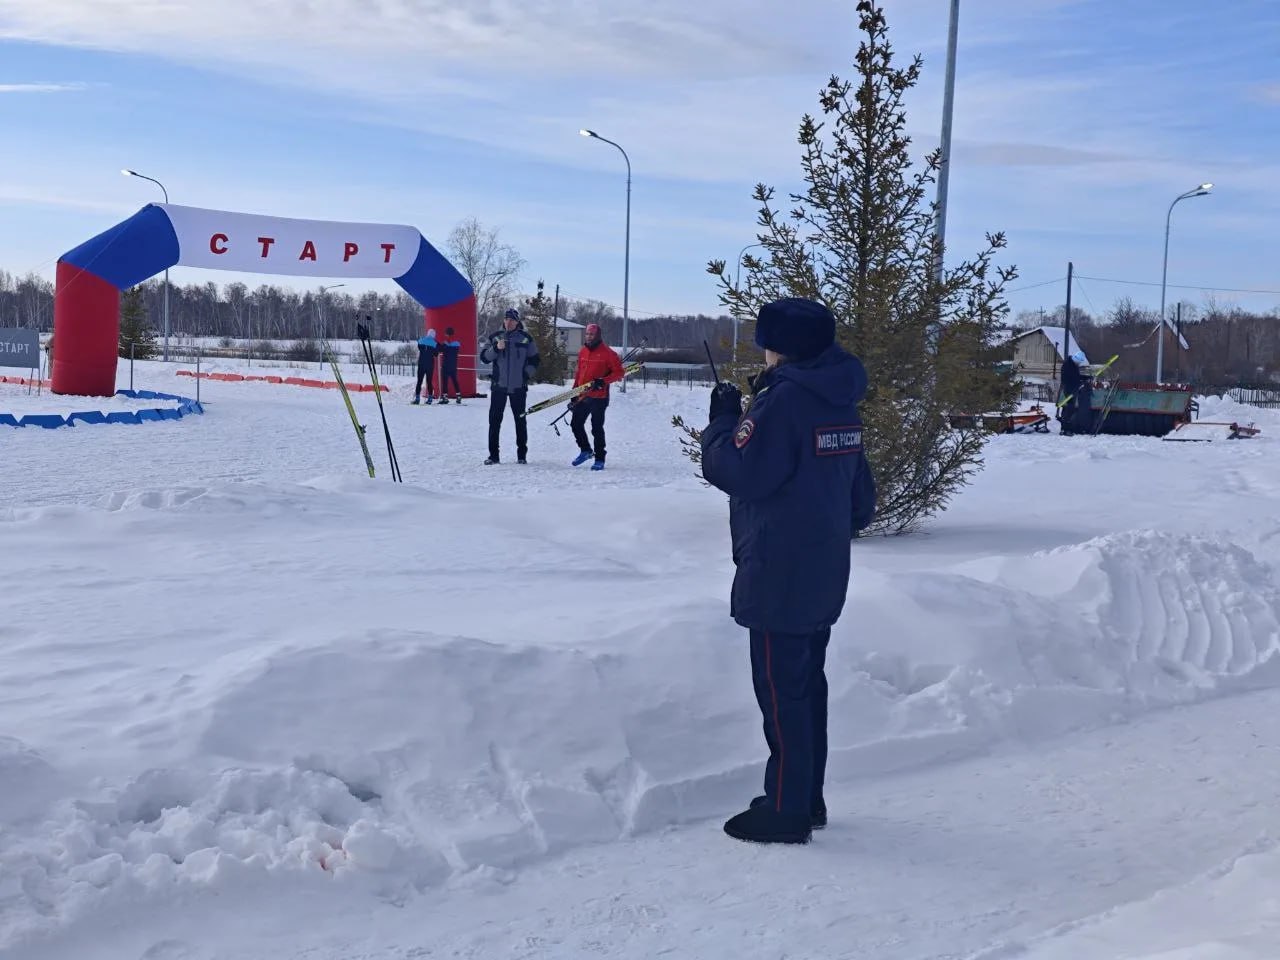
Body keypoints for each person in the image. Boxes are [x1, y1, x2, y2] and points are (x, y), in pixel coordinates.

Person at [700, 297, 877, 846]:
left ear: (784, 347)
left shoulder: (786, 403)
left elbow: (739, 471)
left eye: (768, 343)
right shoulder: (838, 399)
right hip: (823, 568)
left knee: (781, 694)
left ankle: (786, 810)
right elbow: (860, 500)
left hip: (780, 571)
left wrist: (723, 422)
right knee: (806, 688)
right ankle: (804, 795)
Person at [479, 308, 540, 464]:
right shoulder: (495, 337)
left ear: (517, 322)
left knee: (520, 421)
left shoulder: (526, 339)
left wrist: (525, 375)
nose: (508, 322)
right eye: (506, 319)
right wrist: (496, 349)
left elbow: (535, 360)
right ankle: (493, 456)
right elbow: (484, 358)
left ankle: (521, 456)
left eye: (512, 320)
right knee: (494, 421)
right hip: (499, 386)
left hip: (518, 387)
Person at [568, 323, 626, 471]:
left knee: (596, 427)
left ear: (598, 336)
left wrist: (603, 381)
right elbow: (579, 374)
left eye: (591, 334)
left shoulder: (608, 353)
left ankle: (600, 458)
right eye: (587, 334)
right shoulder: (582, 352)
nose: (588, 337)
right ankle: (586, 450)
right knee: (576, 424)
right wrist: (574, 392)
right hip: (583, 395)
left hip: (600, 397)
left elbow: (619, 373)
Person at [1058, 351, 1083, 435]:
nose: (1079, 364)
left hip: (1072, 389)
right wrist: (1078, 383)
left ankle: (1067, 428)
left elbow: (1076, 376)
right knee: (1069, 409)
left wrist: (1084, 379)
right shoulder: (1068, 366)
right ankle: (1065, 429)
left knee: (1070, 409)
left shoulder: (1073, 365)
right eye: (1079, 362)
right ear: (1076, 359)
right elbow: (1069, 378)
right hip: (1069, 390)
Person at [412, 328, 439, 404]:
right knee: (429, 382)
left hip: (421, 363)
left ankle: (417, 399)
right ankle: (430, 399)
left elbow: (419, 348)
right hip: (430, 364)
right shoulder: (434, 343)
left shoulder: (421, 340)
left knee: (419, 381)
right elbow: (436, 354)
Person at [439, 327, 462, 403]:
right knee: (455, 381)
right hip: (453, 365)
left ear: (447, 334)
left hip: (446, 365)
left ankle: (445, 398)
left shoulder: (446, 342)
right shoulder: (457, 343)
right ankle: (458, 396)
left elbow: (440, 349)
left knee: (445, 382)